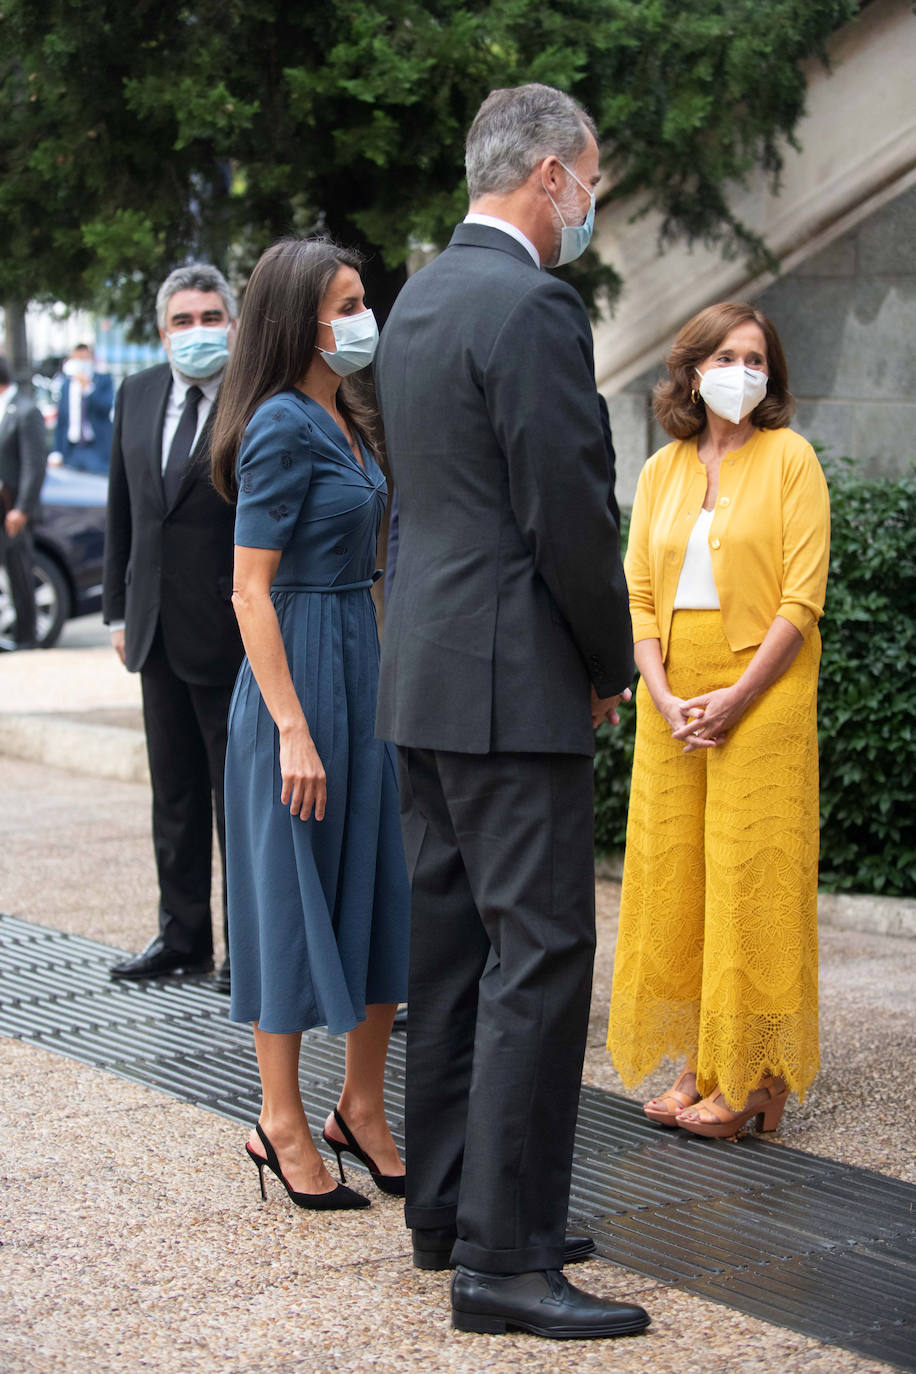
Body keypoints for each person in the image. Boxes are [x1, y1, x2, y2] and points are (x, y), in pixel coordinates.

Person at [374, 84, 649, 1341]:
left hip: (425, 680)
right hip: (509, 687)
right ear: (549, 174)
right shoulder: (533, 304)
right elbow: (569, 515)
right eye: (590, 177)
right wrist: (609, 663)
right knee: (536, 960)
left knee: (452, 957)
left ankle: (450, 1208)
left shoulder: (419, 297)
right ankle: (506, 1257)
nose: (592, 200)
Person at [210, 236, 409, 1212]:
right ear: (299, 317)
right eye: (344, 304)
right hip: (296, 673)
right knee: (287, 899)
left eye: (361, 300)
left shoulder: (348, 416)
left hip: (359, 667)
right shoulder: (281, 427)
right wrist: (291, 726)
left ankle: (360, 1106)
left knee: (378, 884)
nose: (360, 318)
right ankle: (278, 1120)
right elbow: (249, 592)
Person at [607, 302, 830, 1140]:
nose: (745, 371)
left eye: (758, 359)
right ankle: (703, 1062)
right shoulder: (664, 468)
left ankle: (753, 1077)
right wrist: (661, 694)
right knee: (680, 880)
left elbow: (802, 599)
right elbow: (637, 593)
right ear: (693, 370)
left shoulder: (791, 459)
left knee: (750, 880)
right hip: (673, 698)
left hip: (763, 695)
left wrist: (736, 697)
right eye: (729, 355)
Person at [103, 264, 244, 992]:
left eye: (210, 317)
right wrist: (118, 609)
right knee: (176, 794)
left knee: (236, 799)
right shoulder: (137, 394)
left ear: (233, 321)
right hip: (154, 627)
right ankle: (182, 937)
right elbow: (124, 510)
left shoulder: (253, 401)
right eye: (183, 322)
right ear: (162, 333)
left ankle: (242, 952)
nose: (197, 333)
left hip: (229, 631)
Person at [0, 357, 47, 650]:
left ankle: (26, 636)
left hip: (14, 506)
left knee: (20, 571)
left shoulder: (26, 410)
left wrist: (23, 508)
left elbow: (34, 464)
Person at [53, 344, 114, 474]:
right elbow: (62, 420)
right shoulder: (66, 385)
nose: (80, 362)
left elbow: (105, 408)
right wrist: (57, 451)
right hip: (71, 448)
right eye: (77, 358)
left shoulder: (103, 380)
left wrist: (87, 388)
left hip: (96, 447)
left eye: (84, 358)